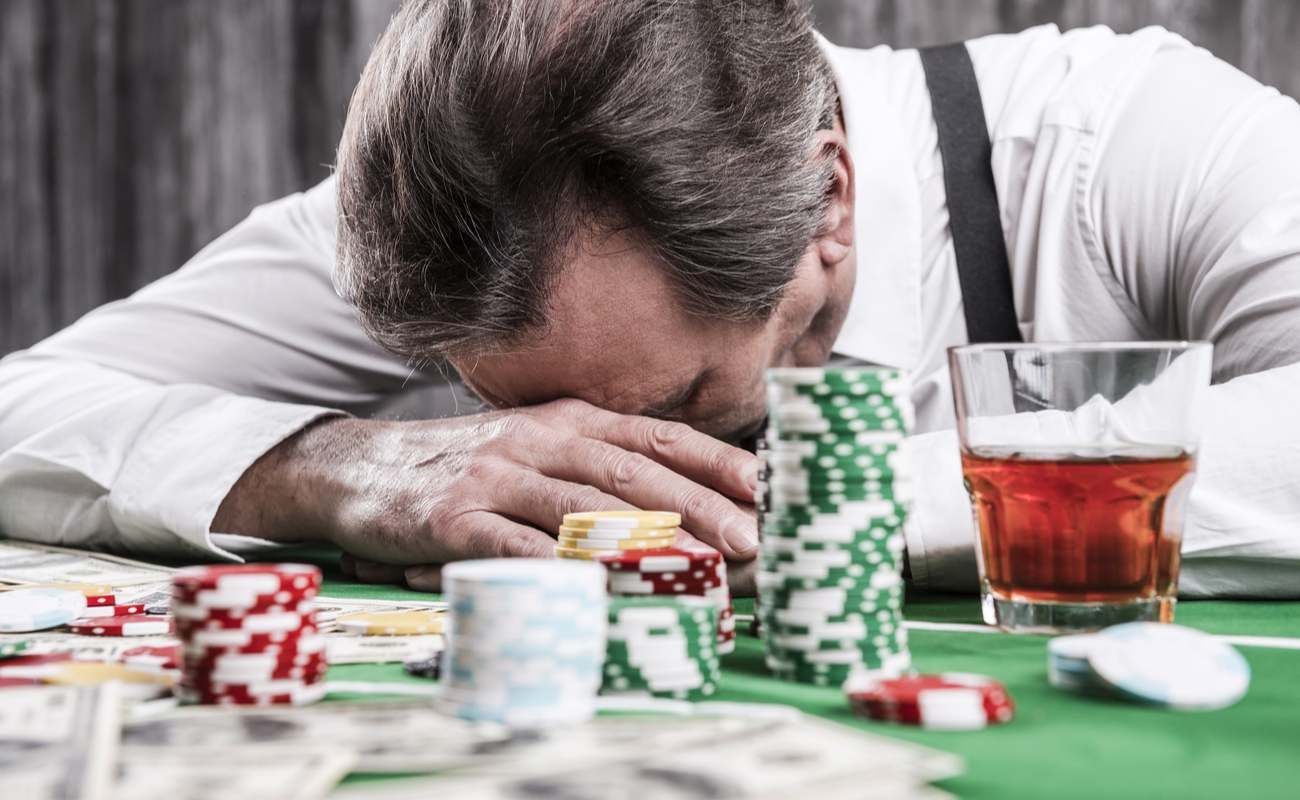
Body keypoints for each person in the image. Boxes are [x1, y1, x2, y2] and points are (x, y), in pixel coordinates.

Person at [2, 0, 1299, 597]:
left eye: (675, 404)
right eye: (522, 415)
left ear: (828, 202)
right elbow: (22, 406)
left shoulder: (1130, 141)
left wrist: (822, 513)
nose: (606, 479)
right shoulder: (451, 215)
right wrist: (337, 464)